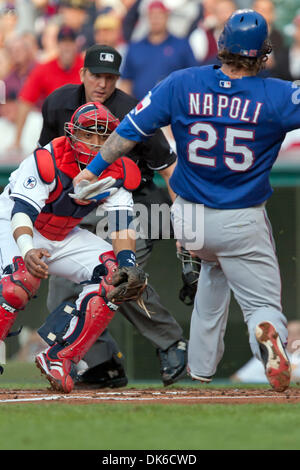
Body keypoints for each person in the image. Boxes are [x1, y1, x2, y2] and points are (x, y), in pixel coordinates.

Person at [75, 9, 300, 393]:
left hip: (189, 218)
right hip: (240, 218)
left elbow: (130, 129)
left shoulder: (182, 82)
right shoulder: (277, 95)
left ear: (222, 45)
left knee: (212, 274)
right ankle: (268, 334)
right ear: (261, 54)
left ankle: (200, 368)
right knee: (261, 304)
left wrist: (93, 169)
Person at [38, 43, 188, 388]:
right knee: (60, 293)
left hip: (133, 207)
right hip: (79, 208)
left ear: (118, 79)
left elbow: (169, 169)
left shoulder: (134, 111)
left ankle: (170, 342)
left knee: (119, 277)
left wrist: (184, 224)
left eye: (110, 77)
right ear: (82, 74)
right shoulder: (59, 103)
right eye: (96, 75)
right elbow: (46, 163)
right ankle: (103, 362)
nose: (102, 83)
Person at [0, 101, 147, 393]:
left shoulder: (118, 169)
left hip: (64, 232)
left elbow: (121, 224)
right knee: (17, 285)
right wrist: (28, 249)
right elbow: (21, 213)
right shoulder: (47, 159)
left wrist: (129, 264)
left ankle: (60, 357)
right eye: (89, 134)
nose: (95, 143)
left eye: (103, 136)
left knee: (115, 278)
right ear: (72, 133)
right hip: (15, 225)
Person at [11, 25, 84, 152]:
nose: (66, 46)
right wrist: (17, 140)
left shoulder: (85, 67)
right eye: (63, 42)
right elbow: (25, 102)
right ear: (58, 45)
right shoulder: (45, 68)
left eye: (70, 42)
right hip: (55, 125)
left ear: (75, 45)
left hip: (83, 123)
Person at [119, 0, 197, 101]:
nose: (156, 20)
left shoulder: (181, 45)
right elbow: (126, 82)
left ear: (167, 17)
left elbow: (193, 78)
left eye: (159, 15)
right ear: (147, 18)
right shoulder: (135, 47)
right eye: (152, 16)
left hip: (173, 108)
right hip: (139, 108)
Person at [231, 321, 300, 383]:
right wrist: (273, 381)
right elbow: (236, 378)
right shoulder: (271, 355)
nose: (294, 337)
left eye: (298, 333)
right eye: (289, 333)